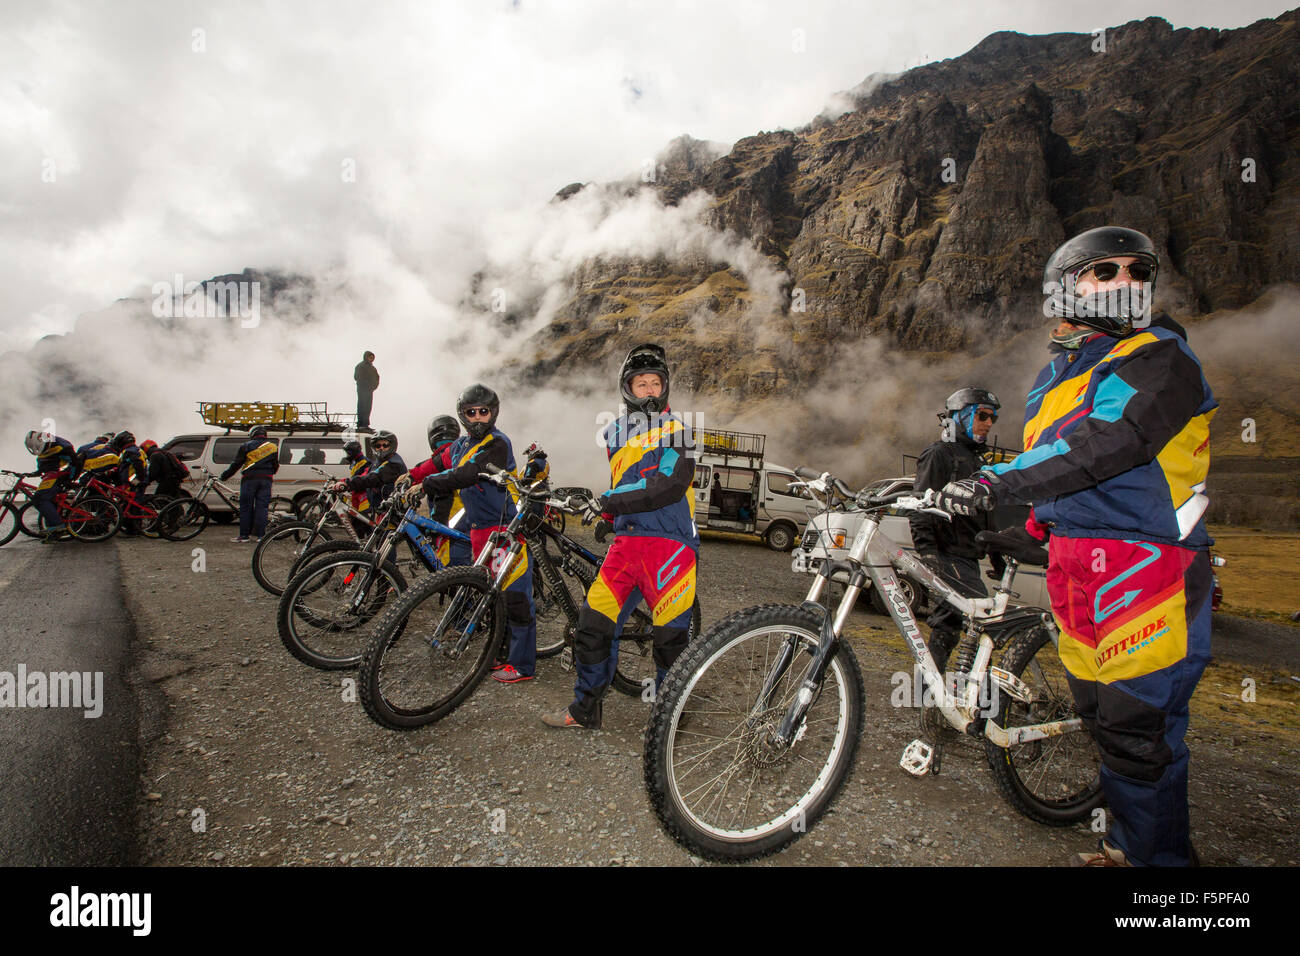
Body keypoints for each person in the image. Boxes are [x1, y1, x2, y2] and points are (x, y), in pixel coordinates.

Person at [937, 226, 1217, 867]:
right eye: (1107, 271)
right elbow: (1057, 461)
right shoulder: (1052, 377)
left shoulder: (1160, 357)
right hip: (1077, 561)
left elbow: (1111, 441)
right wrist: (1032, 527)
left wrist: (995, 479)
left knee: (1138, 729)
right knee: (1100, 718)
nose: (1129, 283)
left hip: (1146, 564)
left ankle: (1162, 872)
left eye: (1139, 273)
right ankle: (1125, 844)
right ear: (1063, 289)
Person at [543, 343, 699, 729]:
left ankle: (669, 722)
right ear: (627, 388)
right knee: (592, 625)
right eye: (640, 383)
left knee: (670, 644)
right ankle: (585, 710)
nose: (648, 389)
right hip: (627, 547)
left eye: (654, 383)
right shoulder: (615, 433)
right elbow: (626, 483)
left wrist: (607, 503)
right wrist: (611, 519)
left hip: (670, 547)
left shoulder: (680, 432)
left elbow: (667, 487)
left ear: (664, 389)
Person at [416, 386, 537, 684]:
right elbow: (435, 463)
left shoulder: (498, 443)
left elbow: (468, 473)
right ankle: (499, 652)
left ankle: (522, 665)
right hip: (478, 531)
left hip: (504, 531)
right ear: (463, 414)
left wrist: (426, 485)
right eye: (471, 412)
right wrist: (410, 475)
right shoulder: (458, 445)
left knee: (515, 598)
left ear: (494, 412)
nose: (479, 418)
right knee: (491, 597)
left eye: (484, 412)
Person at [910, 387, 1005, 676]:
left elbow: (986, 515)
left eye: (993, 418)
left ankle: (930, 692)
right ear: (961, 417)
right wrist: (927, 552)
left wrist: (997, 556)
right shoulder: (940, 454)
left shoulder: (977, 461)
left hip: (967, 556)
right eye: (983, 415)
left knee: (948, 623)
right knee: (981, 622)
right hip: (947, 553)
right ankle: (970, 692)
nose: (989, 423)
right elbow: (921, 503)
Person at [396, 415, 470, 567]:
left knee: (453, 570)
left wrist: (415, 479)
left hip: (451, 521)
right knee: (454, 568)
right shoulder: (460, 450)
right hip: (457, 520)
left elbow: (433, 467)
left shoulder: (444, 456)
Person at [220, 425, 280, 542]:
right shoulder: (273, 446)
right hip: (266, 480)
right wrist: (269, 473)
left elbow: (236, 464)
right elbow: (275, 465)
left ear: (252, 434)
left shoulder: (246, 446)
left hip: (249, 479)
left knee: (246, 507)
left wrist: (225, 476)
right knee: (262, 508)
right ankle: (261, 536)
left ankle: (244, 536)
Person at [333, 429, 406, 514]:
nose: (381, 448)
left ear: (392, 446)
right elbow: (366, 474)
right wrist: (345, 482)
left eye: (385, 445)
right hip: (381, 507)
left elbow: (373, 478)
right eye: (378, 446)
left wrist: (348, 483)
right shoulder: (379, 462)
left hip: (392, 510)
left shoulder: (393, 464)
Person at [26, 430, 78, 541]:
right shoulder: (43, 445)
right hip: (52, 474)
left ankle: (57, 525)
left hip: (59, 475)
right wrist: (37, 472)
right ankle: (54, 531)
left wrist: (70, 479)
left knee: (40, 499)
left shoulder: (63, 445)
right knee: (50, 500)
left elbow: (76, 463)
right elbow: (44, 462)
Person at [354, 351, 379, 429]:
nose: (371, 359)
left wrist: (374, 386)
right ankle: (361, 424)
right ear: (366, 357)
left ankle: (366, 424)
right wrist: (366, 384)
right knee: (362, 405)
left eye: (372, 358)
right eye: (370, 357)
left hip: (369, 390)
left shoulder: (373, 368)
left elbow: (377, 378)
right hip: (362, 389)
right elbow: (356, 377)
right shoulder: (360, 366)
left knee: (368, 406)